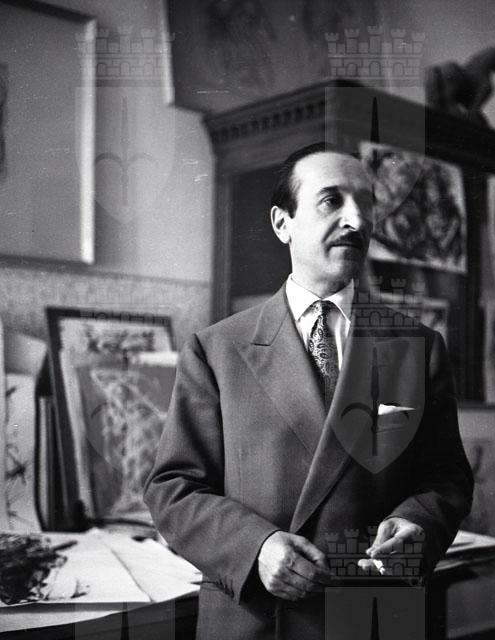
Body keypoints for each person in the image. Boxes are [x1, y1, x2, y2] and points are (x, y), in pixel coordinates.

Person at [144, 143, 473, 639]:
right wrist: (256, 548)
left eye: (366, 203)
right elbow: (173, 488)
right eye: (331, 201)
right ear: (283, 224)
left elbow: (447, 477)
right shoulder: (216, 349)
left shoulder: (417, 347)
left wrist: (418, 524)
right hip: (257, 620)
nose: (356, 220)